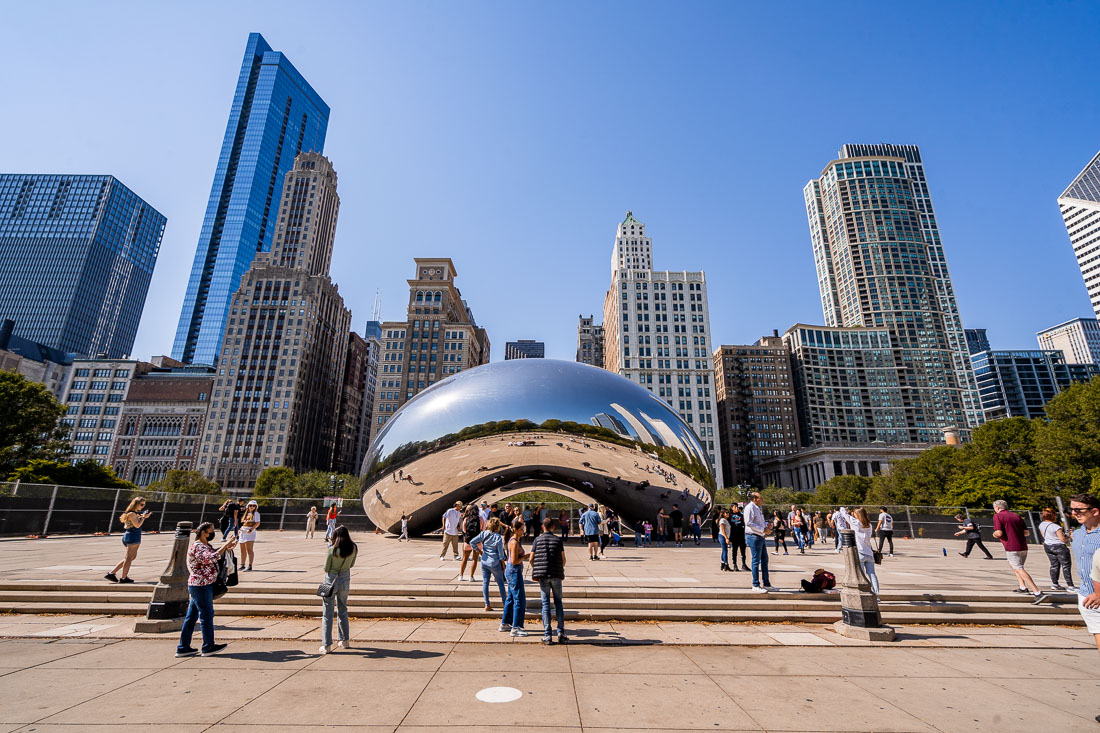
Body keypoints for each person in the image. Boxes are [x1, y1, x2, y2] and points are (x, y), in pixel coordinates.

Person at [176, 522, 237, 657]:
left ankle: (183, 647)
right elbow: (210, 558)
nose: (212, 534)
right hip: (201, 585)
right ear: (203, 532)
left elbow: (215, 555)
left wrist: (227, 548)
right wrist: (225, 545)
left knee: (191, 617)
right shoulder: (198, 546)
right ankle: (208, 646)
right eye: (211, 531)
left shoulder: (205, 546)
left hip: (202, 585)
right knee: (206, 615)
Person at [992, 499, 1047, 604]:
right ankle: (1022, 586)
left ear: (997, 508)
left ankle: (1037, 592)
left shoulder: (998, 516)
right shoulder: (1016, 516)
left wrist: (994, 534)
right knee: (1015, 566)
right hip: (1022, 545)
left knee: (1018, 568)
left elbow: (999, 533)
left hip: (1011, 546)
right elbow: (1026, 533)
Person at [1067, 493, 1100, 659]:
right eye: (1072, 509)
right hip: (1087, 595)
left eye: (1079, 510)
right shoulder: (1078, 534)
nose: (1074, 513)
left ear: (1095, 511)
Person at [318, 525, 357, 654]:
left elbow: (326, 568)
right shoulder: (354, 548)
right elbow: (351, 564)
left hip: (330, 581)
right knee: (343, 610)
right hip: (345, 580)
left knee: (327, 614)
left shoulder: (332, 550)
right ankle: (344, 640)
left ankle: (326, 645)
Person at [531, 517, 567, 644]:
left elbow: (531, 558)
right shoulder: (558, 540)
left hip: (543, 576)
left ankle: (547, 634)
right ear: (552, 527)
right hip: (556, 575)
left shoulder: (537, 540)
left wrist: (537, 569)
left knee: (545, 604)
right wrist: (559, 568)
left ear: (542, 527)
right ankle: (561, 632)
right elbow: (563, 559)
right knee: (558, 603)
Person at [105, 497, 151, 583]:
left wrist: (144, 516)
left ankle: (112, 573)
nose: (143, 506)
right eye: (141, 504)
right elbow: (137, 525)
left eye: (144, 505)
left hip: (132, 535)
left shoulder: (134, 513)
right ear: (135, 504)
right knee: (129, 558)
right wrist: (143, 518)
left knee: (130, 557)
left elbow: (138, 520)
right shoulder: (132, 514)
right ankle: (123, 578)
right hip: (132, 535)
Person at [470, 517, 507, 611]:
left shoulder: (483, 533)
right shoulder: (498, 537)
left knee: (485, 583)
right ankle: (505, 603)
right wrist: (503, 565)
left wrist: (479, 551)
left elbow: (472, 542)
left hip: (484, 561)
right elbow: (501, 554)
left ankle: (487, 604)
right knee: (501, 584)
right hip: (494, 562)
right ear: (497, 526)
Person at [501, 518, 528, 636]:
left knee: (511, 598)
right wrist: (526, 556)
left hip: (511, 571)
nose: (523, 532)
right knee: (519, 599)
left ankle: (505, 623)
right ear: (515, 530)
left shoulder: (514, 541)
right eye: (521, 530)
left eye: (523, 529)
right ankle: (516, 627)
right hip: (514, 571)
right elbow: (514, 560)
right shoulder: (514, 543)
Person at [1038, 508, 1074, 591]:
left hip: (1048, 546)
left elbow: (1043, 536)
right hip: (1059, 547)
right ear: (1053, 516)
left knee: (1054, 565)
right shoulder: (1056, 527)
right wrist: (1068, 536)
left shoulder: (1041, 524)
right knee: (1066, 566)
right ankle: (1070, 585)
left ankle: (1055, 583)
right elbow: (1062, 539)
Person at [744, 492, 775, 592]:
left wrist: (767, 525)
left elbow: (759, 522)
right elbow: (748, 522)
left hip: (760, 536)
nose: (763, 500)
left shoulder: (757, 508)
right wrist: (762, 529)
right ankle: (756, 584)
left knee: (764, 560)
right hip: (754, 536)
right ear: (755, 499)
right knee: (755, 560)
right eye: (761, 498)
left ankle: (766, 583)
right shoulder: (750, 508)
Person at [850, 507, 880, 594]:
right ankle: (876, 594)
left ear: (857, 514)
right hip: (869, 553)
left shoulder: (856, 523)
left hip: (860, 552)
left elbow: (846, 516)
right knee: (872, 574)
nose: (853, 514)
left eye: (855, 513)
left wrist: (843, 509)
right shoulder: (869, 525)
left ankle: (864, 593)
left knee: (862, 575)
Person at [459, 504, 482, 582]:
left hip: (468, 541)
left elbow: (464, 530)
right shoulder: (480, 519)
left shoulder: (466, 519)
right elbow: (483, 529)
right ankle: (471, 576)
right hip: (477, 542)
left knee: (465, 558)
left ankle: (461, 575)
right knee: (475, 559)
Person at [237, 500, 260, 571]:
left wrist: (251, 530)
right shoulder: (246, 513)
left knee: (249, 549)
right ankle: (242, 565)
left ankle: (250, 566)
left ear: (256, 507)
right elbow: (245, 523)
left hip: (249, 532)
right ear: (248, 506)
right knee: (242, 550)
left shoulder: (256, 513)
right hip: (243, 532)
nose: (252, 507)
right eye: (250, 505)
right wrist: (240, 529)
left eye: (253, 505)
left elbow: (257, 523)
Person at [728, 504, 747, 570]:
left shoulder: (741, 515)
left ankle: (744, 564)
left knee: (743, 550)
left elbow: (744, 524)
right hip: (734, 535)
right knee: (734, 550)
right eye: (735, 507)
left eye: (737, 507)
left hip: (741, 535)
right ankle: (735, 564)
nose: (737, 508)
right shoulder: (729, 516)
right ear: (732, 508)